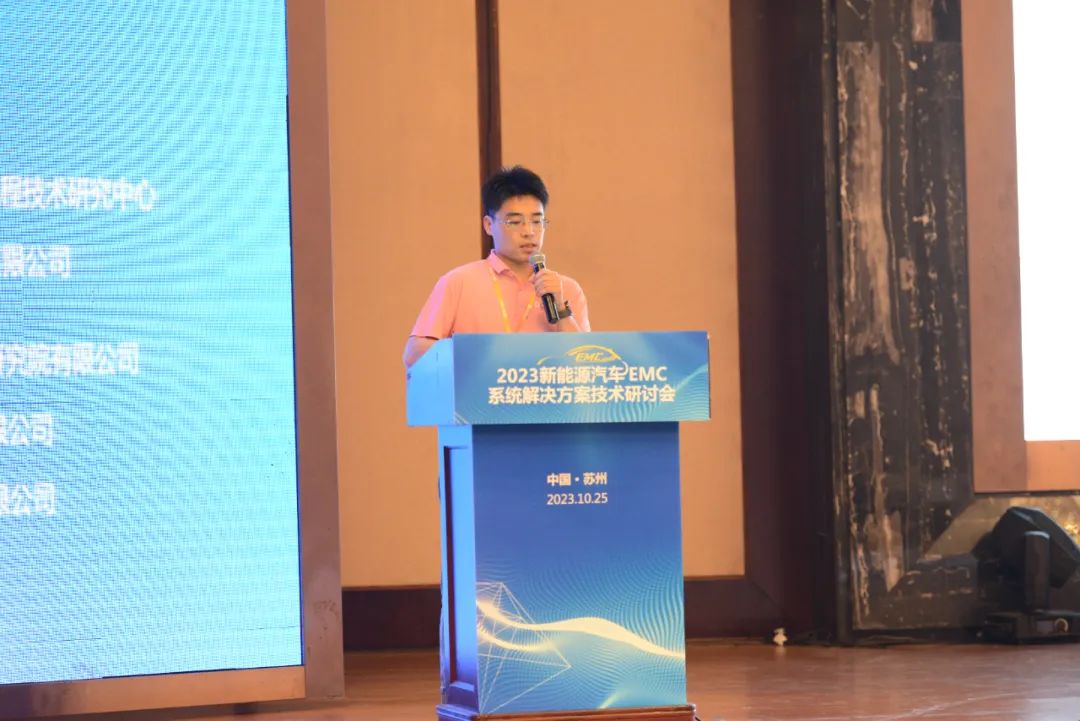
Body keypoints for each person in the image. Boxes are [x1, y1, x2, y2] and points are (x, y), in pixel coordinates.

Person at [403, 166, 590, 368]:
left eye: (537, 221)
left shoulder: (566, 289)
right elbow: (415, 354)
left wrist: (561, 309)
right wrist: (481, 356)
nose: (529, 231)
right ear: (488, 225)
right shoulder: (459, 282)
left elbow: (587, 366)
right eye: (515, 222)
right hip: (477, 388)